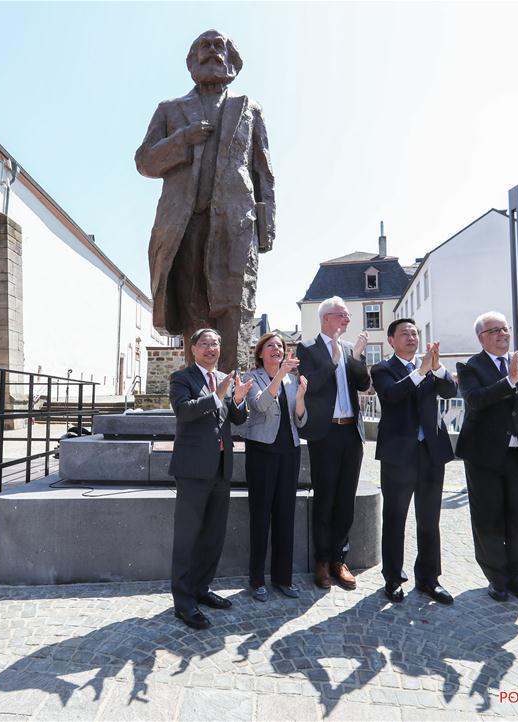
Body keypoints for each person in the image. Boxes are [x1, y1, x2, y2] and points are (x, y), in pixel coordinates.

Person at [136, 30, 275, 370]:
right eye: (204, 46)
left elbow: (263, 172)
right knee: (191, 306)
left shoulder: (249, 109)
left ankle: (233, 392)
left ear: (232, 59)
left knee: (234, 305)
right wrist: (183, 139)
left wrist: (266, 229)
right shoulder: (170, 110)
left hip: (235, 223)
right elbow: (145, 162)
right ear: (192, 60)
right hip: (184, 223)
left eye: (219, 46)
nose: (212, 52)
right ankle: (198, 391)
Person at [455, 311, 518, 604]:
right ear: (481, 338)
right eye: (494, 331)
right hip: (484, 454)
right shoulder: (470, 366)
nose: (502, 334)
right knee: (488, 518)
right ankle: (496, 577)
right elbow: (475, 400)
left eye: (505, 329)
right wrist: (509, 382)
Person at [168, 328, 252, 630]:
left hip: (220, 467)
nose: (211, 348)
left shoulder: (223, 381)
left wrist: (238, 400)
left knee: (213, 535)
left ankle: (201, 589)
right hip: (192, 469)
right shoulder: (182, 379)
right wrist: (217, 396)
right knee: (187, 538)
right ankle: (183, 601)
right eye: (205, 344)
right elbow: (183, 412)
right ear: (193, 349)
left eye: (216, 343)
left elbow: (236, 419)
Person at [371, 319, 458, 604]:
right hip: (398, 455)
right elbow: (392, 395)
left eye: (415, 333)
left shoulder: (430, 367)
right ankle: (393, 578)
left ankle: (429, 579)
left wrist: (438, 368)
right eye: (405, 333)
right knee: (395, 517)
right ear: (391, 340)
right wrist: (420, 372)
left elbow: (449, 391)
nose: (411, 337)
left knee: (429, 519)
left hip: (431, 452)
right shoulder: (382, 369)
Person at [296, 296, 371, 590]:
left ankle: (341, 560)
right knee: (325, 499)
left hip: (351, 433)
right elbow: (310, 384)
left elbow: (363, 385)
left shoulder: (353, 348)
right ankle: (323, 561)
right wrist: (333, 362)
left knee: (345, 500)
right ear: (327, 318)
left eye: (348, 316)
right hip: (324, 434)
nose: (348, 320)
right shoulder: (308, 348)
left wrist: (356, 359)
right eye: (343, 315)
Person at [237, 333, 308, 602]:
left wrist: (301, 398)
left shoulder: (292, 380)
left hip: (289, 450)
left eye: (280, 346)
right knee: (261, 515)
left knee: (285, 515)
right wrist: (279, 376)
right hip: (262, 452)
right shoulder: (252, 377)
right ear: (260, 353)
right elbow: (260, 405)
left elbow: (300, 421)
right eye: (271, 346)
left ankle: (283, 578)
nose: (276, 349)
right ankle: (256, 580)